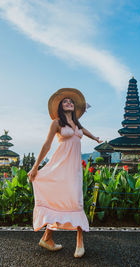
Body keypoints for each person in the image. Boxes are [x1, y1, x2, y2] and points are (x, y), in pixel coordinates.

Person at [28, 88, 102, 258]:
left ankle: (73, 241)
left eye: (71, 101)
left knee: (75, 201)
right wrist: (35, 167)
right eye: (65, 101)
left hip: (74, 169)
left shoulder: (78, 125)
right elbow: (46, 145)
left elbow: (85, 132)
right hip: (59, 167)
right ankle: (49, 238)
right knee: (61, 201)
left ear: (74, 107)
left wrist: (96, 138)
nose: (68, 103)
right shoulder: (56, 123)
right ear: (61, 107)